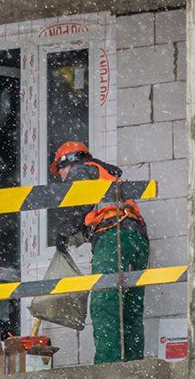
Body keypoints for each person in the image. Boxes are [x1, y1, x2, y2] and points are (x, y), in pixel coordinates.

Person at [50, 141, 148, 363]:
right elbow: (92, 212)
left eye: (61, 171)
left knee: (105, 303)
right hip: (136, 237)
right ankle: (134, 365)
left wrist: (63, 231)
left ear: (67, 163)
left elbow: (78, 204)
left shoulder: (81, 170)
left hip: (114, 236)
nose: (63, 177)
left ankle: (108, 366)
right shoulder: (104, 175)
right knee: (130, 307)